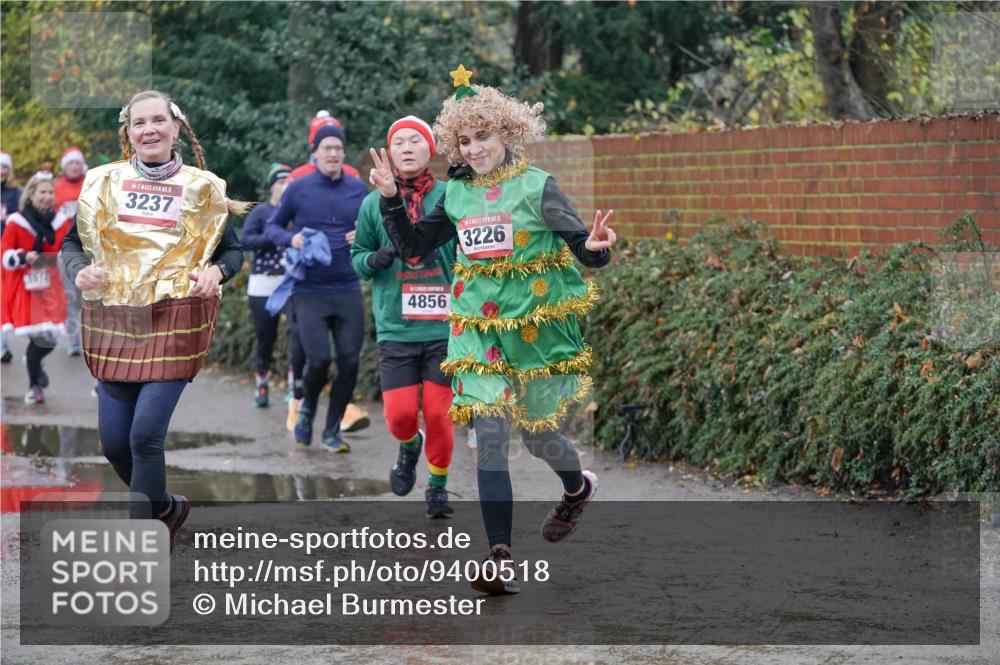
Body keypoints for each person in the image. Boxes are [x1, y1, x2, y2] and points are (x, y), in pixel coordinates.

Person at [369, 66, 617, 595]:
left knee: (537, 437)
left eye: (484, 136)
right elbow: (413, 247)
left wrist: (597, 248)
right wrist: (392, 197)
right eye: (464, 140)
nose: (475, 148)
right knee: (489, 440)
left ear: (507, 132)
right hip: (476, 335)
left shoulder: (537, 186)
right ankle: (499, 555)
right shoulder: (455, 197)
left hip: (533, 333)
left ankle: (576, 489)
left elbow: (583, 248)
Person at [61, 90, 245, 549]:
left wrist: (216, 272)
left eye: (158, 120)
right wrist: (78, 271)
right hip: (114, 320)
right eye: (139, 123)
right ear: (129, 134)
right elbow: (70, 245)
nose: (149, 129)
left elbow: (233, 251)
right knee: (114, 445)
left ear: (175, 127)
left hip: (175, 320)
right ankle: (164, 506)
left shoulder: (202, 188)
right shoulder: (103, 183)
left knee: (145, 437)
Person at [351, 115, 457, 518]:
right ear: (389, 153)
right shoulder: (371, 203)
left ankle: (438, 486)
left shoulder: (452, 195)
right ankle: (409, 445)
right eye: (400, 142)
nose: (408, 148)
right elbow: (357, 258)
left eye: (416, 141)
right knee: (398, 417)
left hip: (445, 326)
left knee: (437, 412)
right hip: (396, 326)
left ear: (431, 149)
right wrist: (376, 257)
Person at [265, 121, 368, 451]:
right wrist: (290, 238)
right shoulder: (299, 187)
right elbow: (272, 226)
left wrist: (363, 236)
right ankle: (307, 408)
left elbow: (376, 231)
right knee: (319, 360)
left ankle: (332, 428)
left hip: (347, 288)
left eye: (338, 148)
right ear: (316, 153)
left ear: (343, 153)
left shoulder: (357, 189)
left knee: (350, 361)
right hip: (309, 290)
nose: (334, 153)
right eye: (328, 148)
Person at [1, 171, 73, 403]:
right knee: (35, 340)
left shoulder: (61, 221)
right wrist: (23, 257)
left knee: (50, 338)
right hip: (26, 288)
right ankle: (34, 386)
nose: (47, 196)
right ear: (31, 194)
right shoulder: (16, 221)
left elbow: (66, 249)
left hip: (51, 287)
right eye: (42, 192)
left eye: (51, 192)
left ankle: (34, 362)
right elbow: (5, 255)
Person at [240, 162, 291, 407]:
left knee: (299, 334)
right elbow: (245, 240)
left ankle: (295, 385)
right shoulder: (261, 212)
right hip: (263, 281)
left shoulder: (297, 211)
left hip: (292, 281)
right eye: (281, 182)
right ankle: (262, 384)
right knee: (265, 336)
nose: (285, 186)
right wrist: (272, 237)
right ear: (272, 186)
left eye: (289, 182)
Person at [55, 146, 88, 356]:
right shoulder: (56, 188)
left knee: (91, 297)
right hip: (65, 250)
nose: (74, 166)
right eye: (70, 163)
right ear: (65, 167)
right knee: (70, 297)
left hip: (90, 249)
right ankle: (74, 342)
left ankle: (94, 340)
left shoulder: (91, 184)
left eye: (77, 162)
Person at [1, 151, 22, 363]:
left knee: (8, 296)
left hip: (8, 251)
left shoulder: (16, 193)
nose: (1, 171)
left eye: (4, 167)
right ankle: (2, 346)